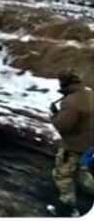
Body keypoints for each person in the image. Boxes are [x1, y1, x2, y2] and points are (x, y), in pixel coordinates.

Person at [50, 71, 94, 216]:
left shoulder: (71, 101)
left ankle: (67, 209)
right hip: (90, 147)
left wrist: (55, 116)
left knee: (63, 175)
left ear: (64, 83)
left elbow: (64, 126)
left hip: (74, 147)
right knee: (83, 172)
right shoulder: (90, 94)